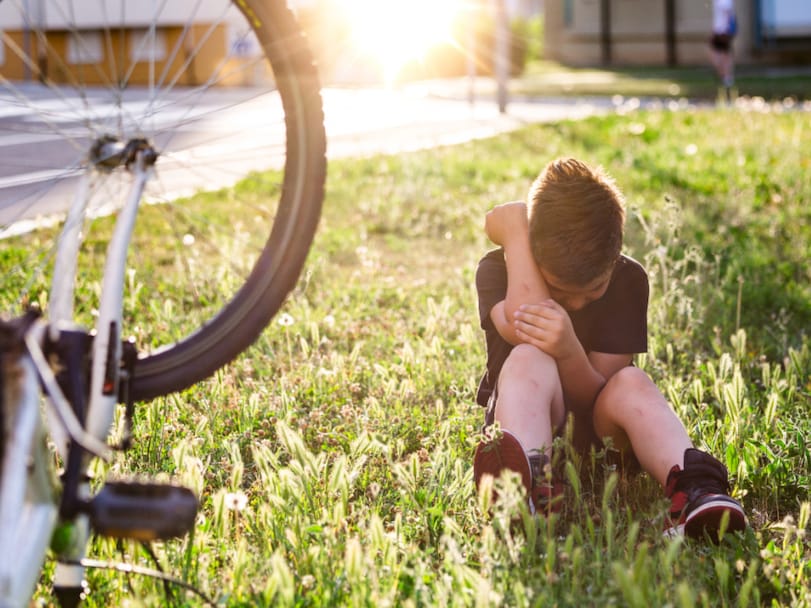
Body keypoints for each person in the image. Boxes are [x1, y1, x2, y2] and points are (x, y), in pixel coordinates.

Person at [472, 157, 747, 541]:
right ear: (531, 251)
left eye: (592, 290)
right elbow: (522, 322)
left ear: (615, 256)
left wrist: (568, 349)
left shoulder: (627, 280)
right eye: (560, 289)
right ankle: (524, 487)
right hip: (526, 423)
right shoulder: (498, 271)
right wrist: (517, 235)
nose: (577, 303)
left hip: (600, 436)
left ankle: (696, 488)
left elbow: (597, 396)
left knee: (631, 380)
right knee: (528, 356)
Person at [710, 0, 737, 97]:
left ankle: (727, 79)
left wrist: (726, 29)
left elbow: (728, 13)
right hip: (719, 31)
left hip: (722, 32)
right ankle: (725, 79)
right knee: (721, 56)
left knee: (723, 57)